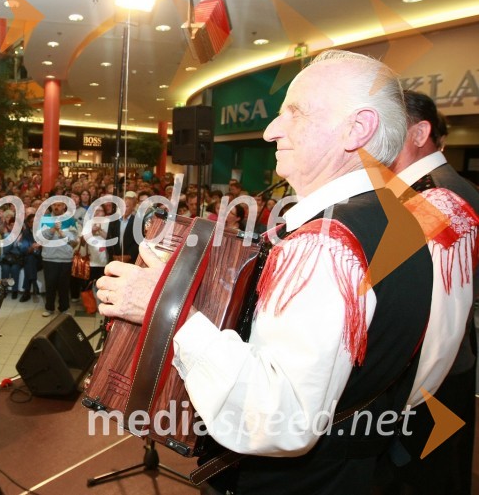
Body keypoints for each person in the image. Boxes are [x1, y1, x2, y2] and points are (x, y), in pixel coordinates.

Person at [96, 50, 434, 494]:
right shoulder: (406, 219)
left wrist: (164, 306)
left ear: (358, 129)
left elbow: (281, 418)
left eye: (295, 112)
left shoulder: (326, 244)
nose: (273, 130)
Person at [377, 90, 479, 495]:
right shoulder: (430, 187)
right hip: (437, 371)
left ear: (421, 132)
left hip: (427, 377)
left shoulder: (437, 194)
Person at [39, 200, 78, 317]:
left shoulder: (71, 220)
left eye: (59, 205)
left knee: (64, 285)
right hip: (49, 258)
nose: (56, 207)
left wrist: (62, 234)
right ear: (51, 206)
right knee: (50, 284)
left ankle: (64, 308)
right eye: (54, 205)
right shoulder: (44, 219)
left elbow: (74, 239)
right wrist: (52, 230)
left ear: (64, 206)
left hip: (65, 258)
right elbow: (40, 237)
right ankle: (49, 308)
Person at [106, 191, 144, 263]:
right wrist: (113, 255)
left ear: (133, 207)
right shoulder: (113, 221)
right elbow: (109, 239)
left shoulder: (138, 222)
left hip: (131, 260)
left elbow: (138, 241)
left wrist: (129, 256)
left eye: (126, 206)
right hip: (115, 260)